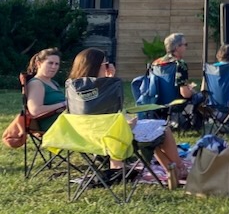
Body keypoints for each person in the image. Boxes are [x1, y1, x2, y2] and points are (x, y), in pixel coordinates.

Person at [68, 47, 188, 187]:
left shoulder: (72, 87)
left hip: (86, 137)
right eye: (106, 64)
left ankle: (172, 170)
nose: (109, 67)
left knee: (152, 133)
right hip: (115, 136)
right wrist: (111, 79)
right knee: (163, 128)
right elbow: (117, 114)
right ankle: (179, 167)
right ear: (97, 66)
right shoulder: (108, 86)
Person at [24, 48, 67, 131]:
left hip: (64, 120)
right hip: (52, 125)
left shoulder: (54, 83)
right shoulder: (36, 84)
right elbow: (35, 110)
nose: (54, 67)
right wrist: (63, 104)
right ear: (39, 63)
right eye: (50, 63)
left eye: (57, 64)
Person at [154, 32, 199, 101]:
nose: (186, 48)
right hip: (175, 106)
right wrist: (192, 91)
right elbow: (185, 94)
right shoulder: (180, 64)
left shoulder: (156, 63)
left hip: (157, 105)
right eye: (185, 45)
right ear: (177, 47)